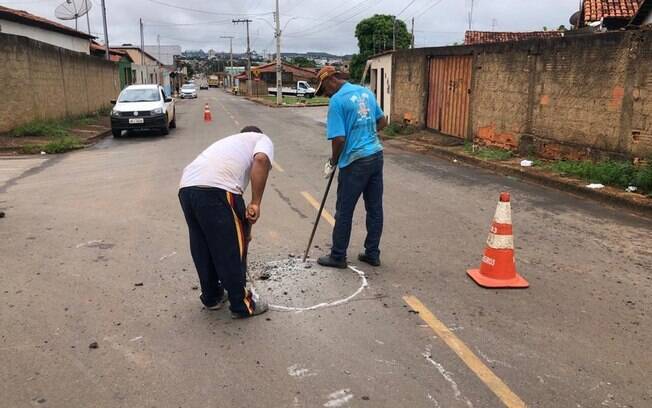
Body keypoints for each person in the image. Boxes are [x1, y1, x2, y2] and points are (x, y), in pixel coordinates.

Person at [178, 126, 273, 318]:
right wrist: (256, 202)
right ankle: (242, 304)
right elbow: (261, 160)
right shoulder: (261, 139)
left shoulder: (230, 146)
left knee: (202, 244)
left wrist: (242, 230)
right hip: (216, 189)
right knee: (229, 248)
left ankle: (212, 297)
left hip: (187, 188)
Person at [314, 66, 387, 269]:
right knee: (374, 208)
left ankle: (338, 256)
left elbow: (338, 138)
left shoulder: (337, 101)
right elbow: (382, 121)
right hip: (375, 156)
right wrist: (367, 135)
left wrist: (333, 161)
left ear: (330, 80)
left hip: (354, 162)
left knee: (344, 211)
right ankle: (372, 253)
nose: (326, 95)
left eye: (324, 89)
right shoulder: (366, 92)